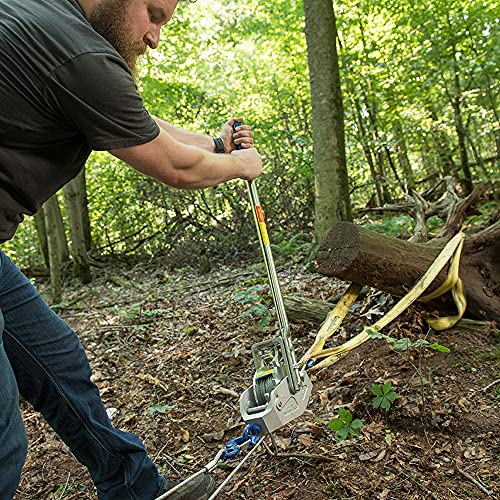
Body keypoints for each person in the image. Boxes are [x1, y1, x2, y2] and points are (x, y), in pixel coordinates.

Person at [0, 0, 263, 498]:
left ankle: (135, 491)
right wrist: (242, 166)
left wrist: (214, 144)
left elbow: (137, 120)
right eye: (154, 13)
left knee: (57, 361)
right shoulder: (77, 50)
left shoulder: (51, 24)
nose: (156, 36)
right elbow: (175, 168)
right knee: (2, 441)